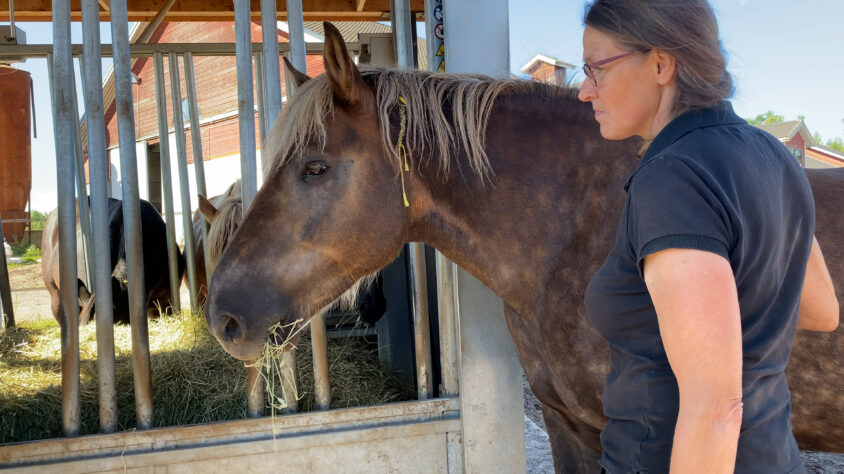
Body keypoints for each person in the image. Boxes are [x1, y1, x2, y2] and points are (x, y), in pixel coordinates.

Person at [577, 1, 840, 472]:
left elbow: (715, 410)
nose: (583, 90)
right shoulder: (774, 156)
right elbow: (821, 310)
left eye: (596, 69)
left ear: (660, 64)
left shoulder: (672, 177)